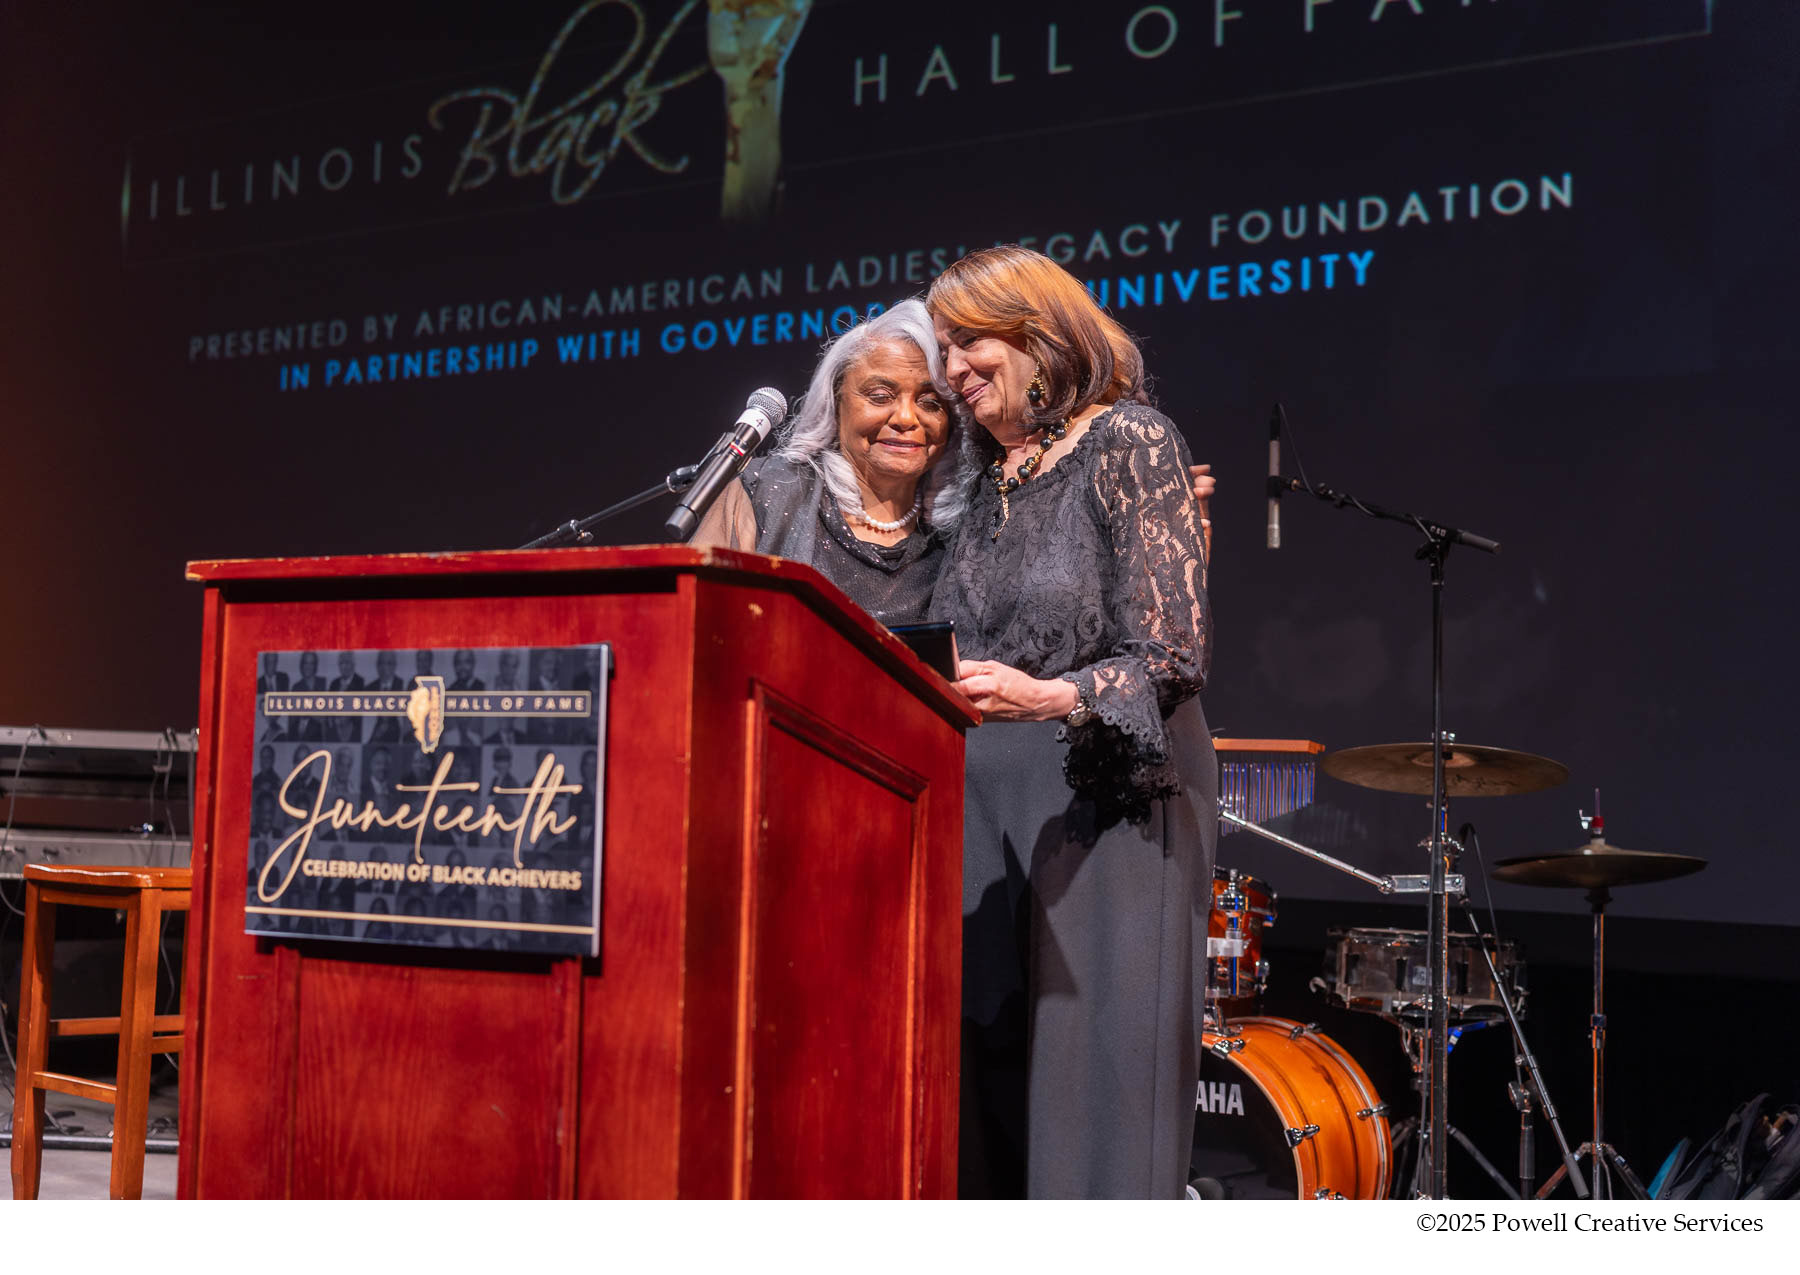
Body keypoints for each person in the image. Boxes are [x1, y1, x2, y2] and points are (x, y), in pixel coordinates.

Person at [926, 244, 1216, 1200]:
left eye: (970, 341)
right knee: (983, 1099)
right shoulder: (985, 480)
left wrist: (1052, 695)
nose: (953, 369)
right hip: (986, 806)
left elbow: (1173, 653)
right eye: (943, 348)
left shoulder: (1131, 440)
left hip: (1107, 793)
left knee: (1095, 1097)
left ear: (1037, 331)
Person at [689, 299, 975, 626]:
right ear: (836, 403)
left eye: (930, 403)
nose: (906, 418)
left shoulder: (964, 526)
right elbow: (692, 623)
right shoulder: (766, 490)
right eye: (880, 396)